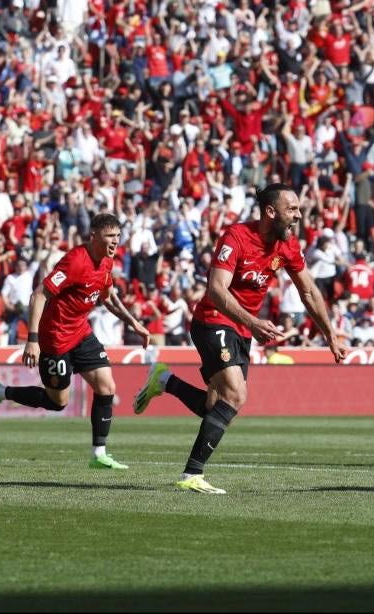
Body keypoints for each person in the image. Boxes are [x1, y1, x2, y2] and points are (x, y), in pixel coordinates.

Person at [133, 184, 347, 494]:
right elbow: (216, 290)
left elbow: (309, 291)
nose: (299, 215)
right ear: (270, 212)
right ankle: (191, 474)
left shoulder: (287, 246)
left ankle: (165, 381)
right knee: (236, 395)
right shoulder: (236, 237)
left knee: (216, 407)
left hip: (243, 330)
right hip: (213, 320)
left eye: (299, 209)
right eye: (292, 209)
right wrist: (252, 320)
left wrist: (330, 336)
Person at [0, 213, 150, 469]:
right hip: (55, 339)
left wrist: (133, 323)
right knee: (57, 402)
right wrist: (32, 340)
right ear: (93, 236)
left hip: (81, 333)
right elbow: (39, 295)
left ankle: (99, 454)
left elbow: (107, 296)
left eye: (117, 236)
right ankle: (0, 392)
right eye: (109, 236)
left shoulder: (106, 262)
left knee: (106, 386)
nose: (115, 242)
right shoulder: (75, 261)